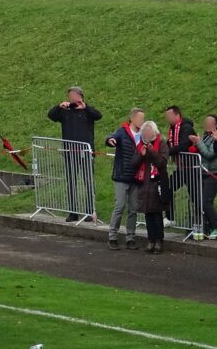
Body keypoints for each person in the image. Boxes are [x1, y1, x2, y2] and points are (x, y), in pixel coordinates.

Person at [46, 86, 104, 220]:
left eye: (74, 96)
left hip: (85, 153)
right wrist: (59, 107)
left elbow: (98, 116)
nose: (72, 99)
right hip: (70, 152)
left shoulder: (87, 111)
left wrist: (85, 107)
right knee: (71, 182)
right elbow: (51, 115)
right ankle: (73, 212)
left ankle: (90, 211)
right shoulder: (65, 112)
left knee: (88, 181)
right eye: (70, 96)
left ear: (80, 96)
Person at [104, 108, 145, 250]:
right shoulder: (122, 131)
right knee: (120, 206)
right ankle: (112, 236)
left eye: (143, 119)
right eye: (140, 118)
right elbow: (111, 138)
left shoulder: (143, 134)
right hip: (122, 176)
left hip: (136, 177)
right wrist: (111, 140)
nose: (142, 121)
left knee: (133, 209)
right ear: (132, 118)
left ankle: (130, 238)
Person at [136, 121, 171, 254]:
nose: (146, 134)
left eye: (148, 132)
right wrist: (142, 155)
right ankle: (150, 240)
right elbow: (134, 163)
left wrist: (151, 152)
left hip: (158, 183)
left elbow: (162, 163)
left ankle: (159, 241)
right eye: (144, 132)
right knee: (148, 214)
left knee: (157, 214)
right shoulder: (140, 145)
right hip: (144, 183)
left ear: (154, 132)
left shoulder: (162, 144)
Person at [194, 115, 217, 241]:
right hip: (204, 172)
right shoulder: (206, 136)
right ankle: (206, 228)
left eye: (209, 122)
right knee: (201, 201)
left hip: (214, 173)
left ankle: (216, 227)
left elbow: (209, 154)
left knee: (206, 201)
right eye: (205, 122)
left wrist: (199, 142)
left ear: (216, 124)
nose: (206, 124)